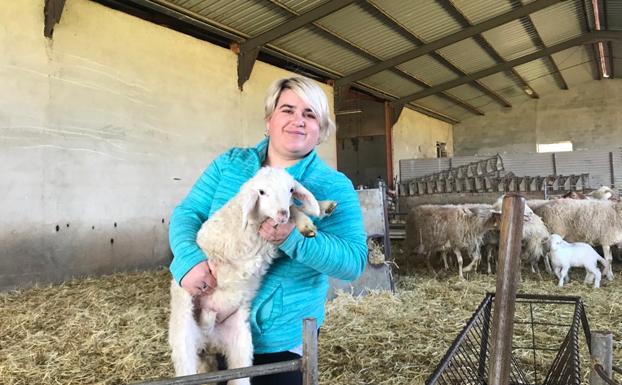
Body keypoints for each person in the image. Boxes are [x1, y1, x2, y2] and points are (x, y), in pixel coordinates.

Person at [168, 76, 368, 385]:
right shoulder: (230, 165)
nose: (298, 121)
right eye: (287, 110)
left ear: (322, 128)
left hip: (280, 341)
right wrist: (186, 261)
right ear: (269, 120)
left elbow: (353, 262)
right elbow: (187, 214)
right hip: (201, 314)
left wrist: (292, 237)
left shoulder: (333, 185)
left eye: (310, 114)